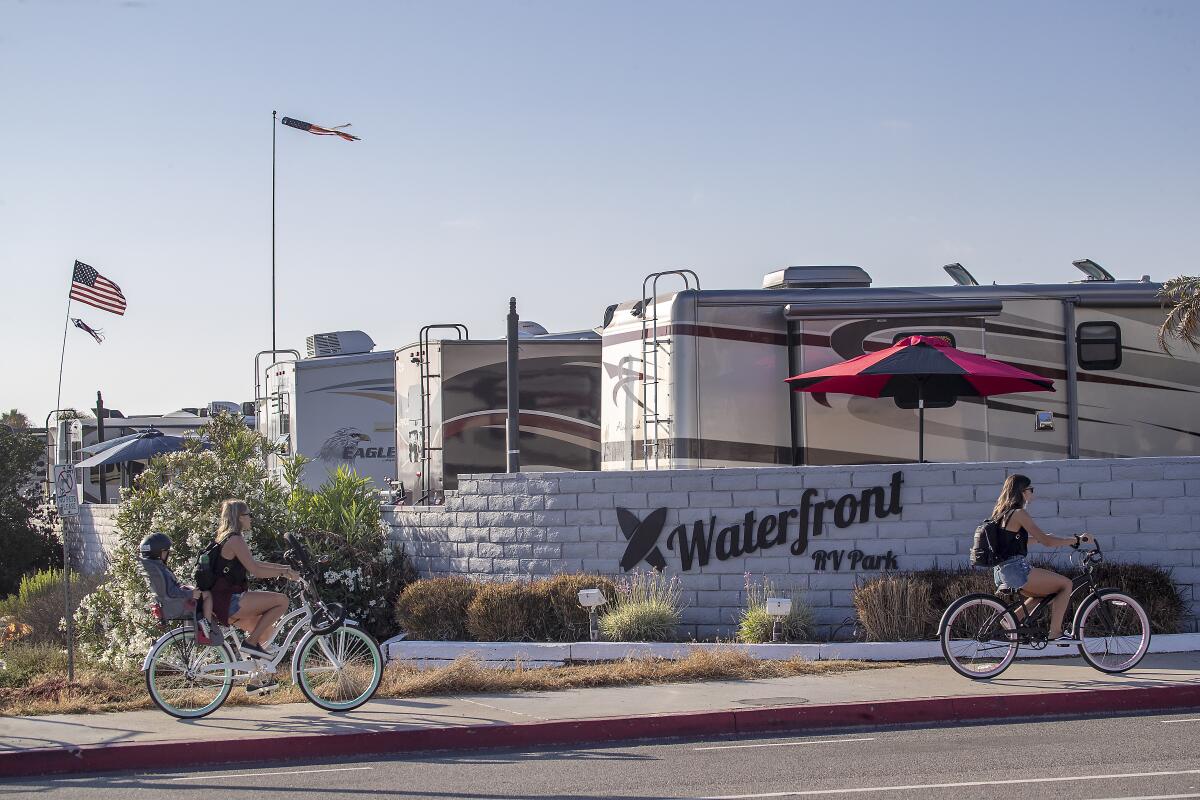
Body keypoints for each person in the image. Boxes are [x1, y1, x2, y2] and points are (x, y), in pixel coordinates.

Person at [989, 474, 1091, 645]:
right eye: (1031, 490)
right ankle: (1055, 633)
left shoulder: (1002, 513)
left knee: (1046, 593)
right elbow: (1048, 542)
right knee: (1066, 584)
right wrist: (1076, 540)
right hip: (1017, 571)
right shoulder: (1019, 513)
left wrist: (1039, 539)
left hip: (1002, 572)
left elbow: (1015, 542)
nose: (1032, 494)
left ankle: (1012, 620)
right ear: (1022, 491)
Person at [208, 499, 300, 661]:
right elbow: (255, 570)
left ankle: (257, 681)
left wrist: (284, 570)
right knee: (282, 601)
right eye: (249, 514)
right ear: (239, 517)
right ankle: (250, 643)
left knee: (265, 633)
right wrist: (284, 572)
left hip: (222, 600)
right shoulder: (235, 539)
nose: (251, 518)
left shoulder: (227, 538)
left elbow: (254, 563)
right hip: (229, 600)